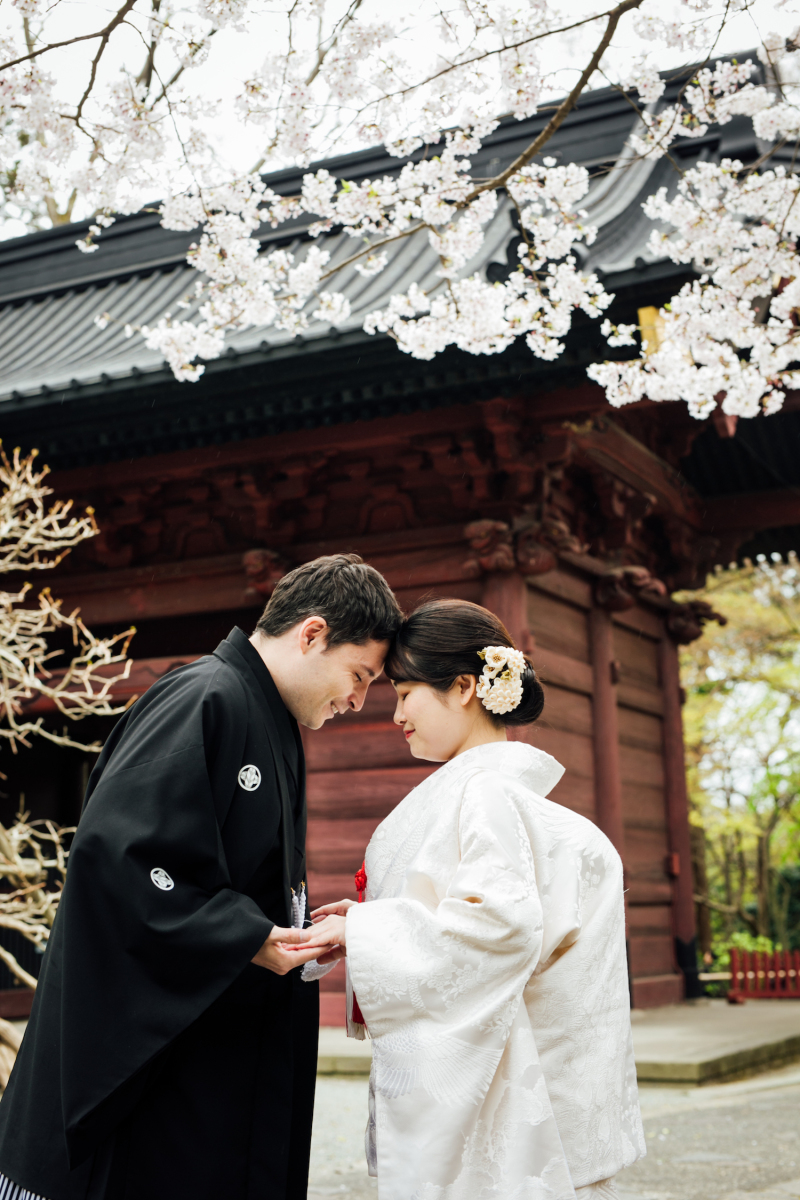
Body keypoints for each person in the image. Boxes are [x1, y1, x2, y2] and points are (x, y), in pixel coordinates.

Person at [0, 553, 403, 1200]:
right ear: (312, 634)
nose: (357, 701)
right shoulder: (205, 696)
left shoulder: (268, 718)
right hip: (162, 1070)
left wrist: (290, 928)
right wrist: (246, 935)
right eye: (358, 676)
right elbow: (125, 855)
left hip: (218, 1049)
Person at [303, 598, 646, 1200]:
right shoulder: (505, 796)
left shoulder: (484, 793)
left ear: (463, 687)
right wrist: (368, 922)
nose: (396, 715)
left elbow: (496, 927)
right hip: (558, 1090)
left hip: (520, 1098)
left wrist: (363, 934)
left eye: (406, 692)